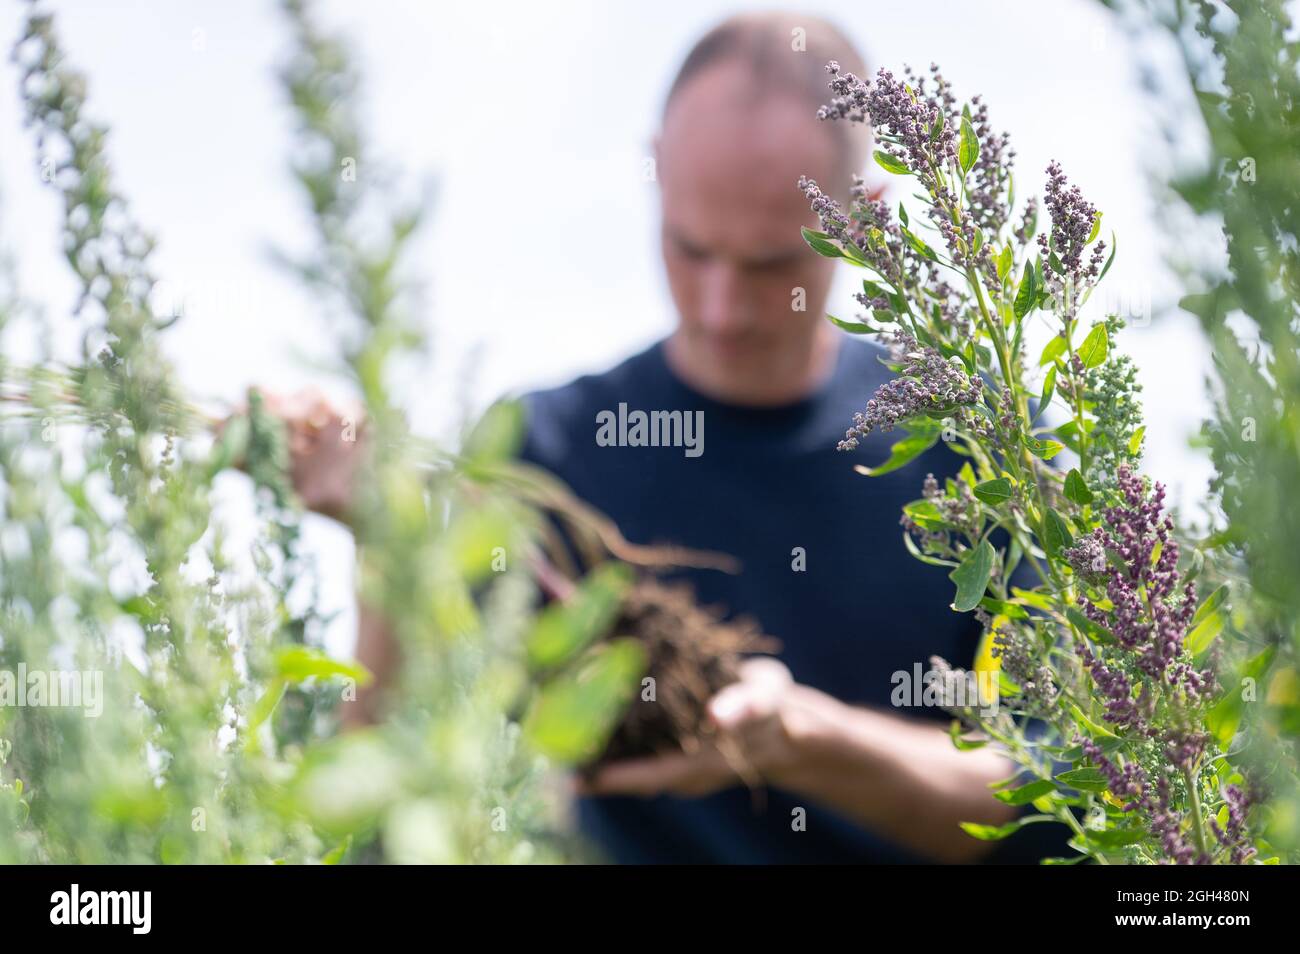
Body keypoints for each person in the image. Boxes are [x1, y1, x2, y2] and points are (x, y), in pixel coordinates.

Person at [273, 13, 1066, 864]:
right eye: (690, 248)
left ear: (864, 219)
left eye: (769, 264)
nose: (721, 307)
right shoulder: (542, 452)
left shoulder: (980, 444)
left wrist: (809, 741)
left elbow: (1055, 801)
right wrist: (388, 535)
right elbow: (382, 801)